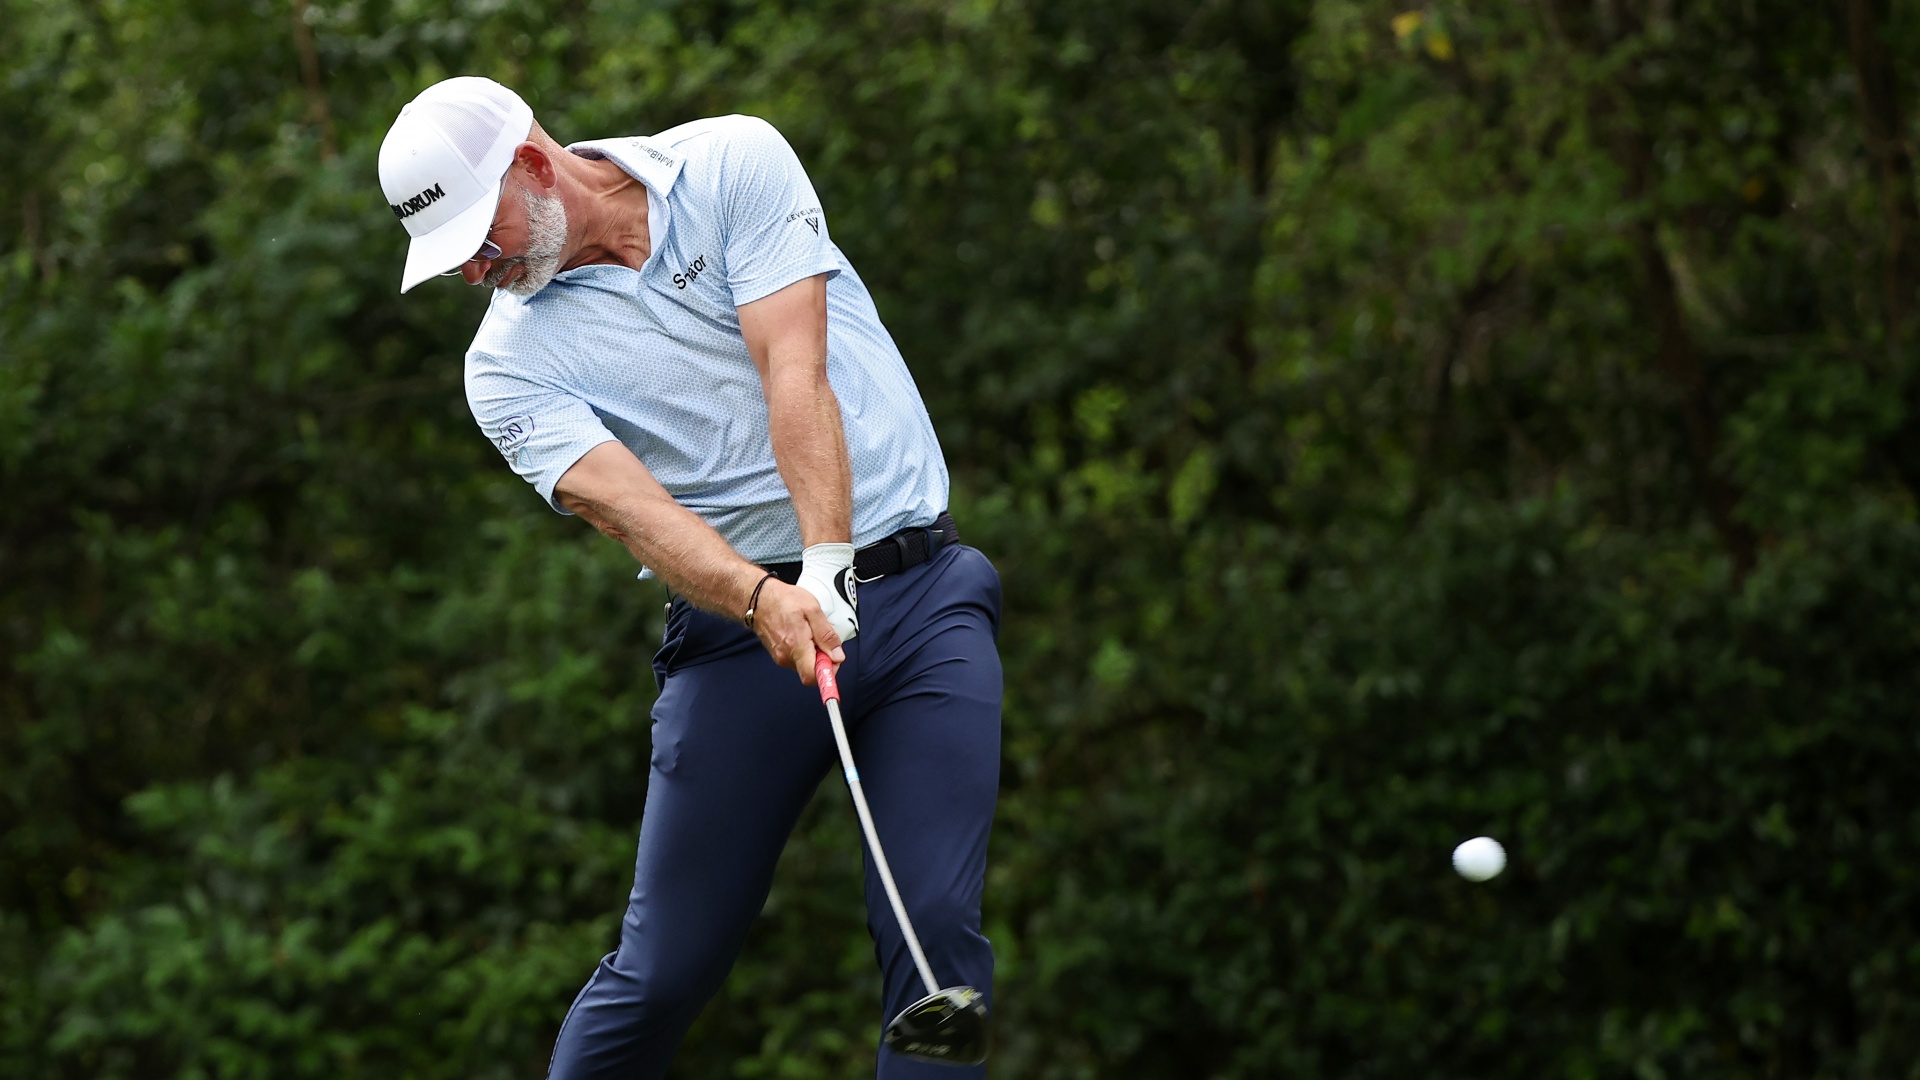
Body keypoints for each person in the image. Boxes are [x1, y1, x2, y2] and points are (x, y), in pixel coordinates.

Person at [376, 77, 1002, 1078]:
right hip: (738, 638)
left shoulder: (729, 164)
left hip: (922, 596)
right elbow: (636, 513)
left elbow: (791, 365)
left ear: (534, 164)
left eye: (475, 238)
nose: (469, 271)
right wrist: (766, 597)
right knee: (665, 966)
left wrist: (830, 559)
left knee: (932, 932)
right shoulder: (503, 369)